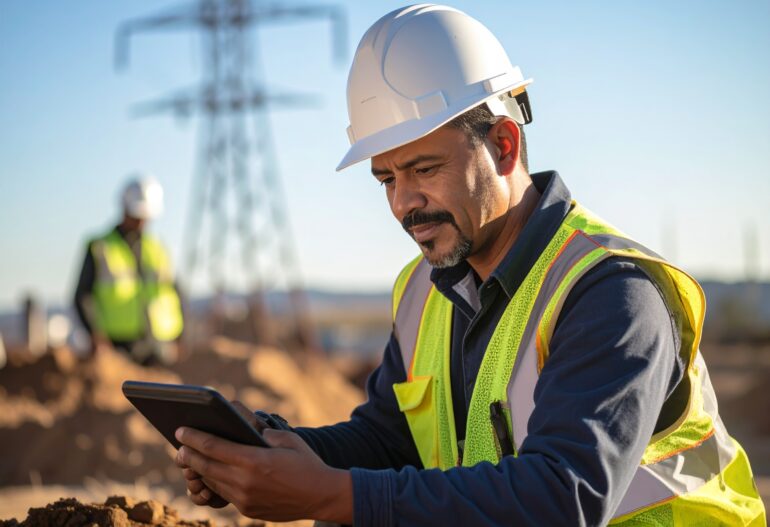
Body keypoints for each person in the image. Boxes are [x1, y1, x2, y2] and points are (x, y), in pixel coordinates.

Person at [173, 5, 766, 525]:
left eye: (424, 169)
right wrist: (272, 454)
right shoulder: (421, 292)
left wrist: (334, 495)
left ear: (504, 145)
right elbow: (389, 440)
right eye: (386, 178)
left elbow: (563, 498)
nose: (404, 203)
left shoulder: (610, 293)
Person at [73, 176, 184, 365]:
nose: (141, 222)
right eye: (136, 216)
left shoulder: (157, 248)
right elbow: (82, 295)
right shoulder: (100, 247)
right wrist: (96, 335)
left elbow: (176, 292)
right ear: (124, 209)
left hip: (159, 344)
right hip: (119, 344)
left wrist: (181, 337)